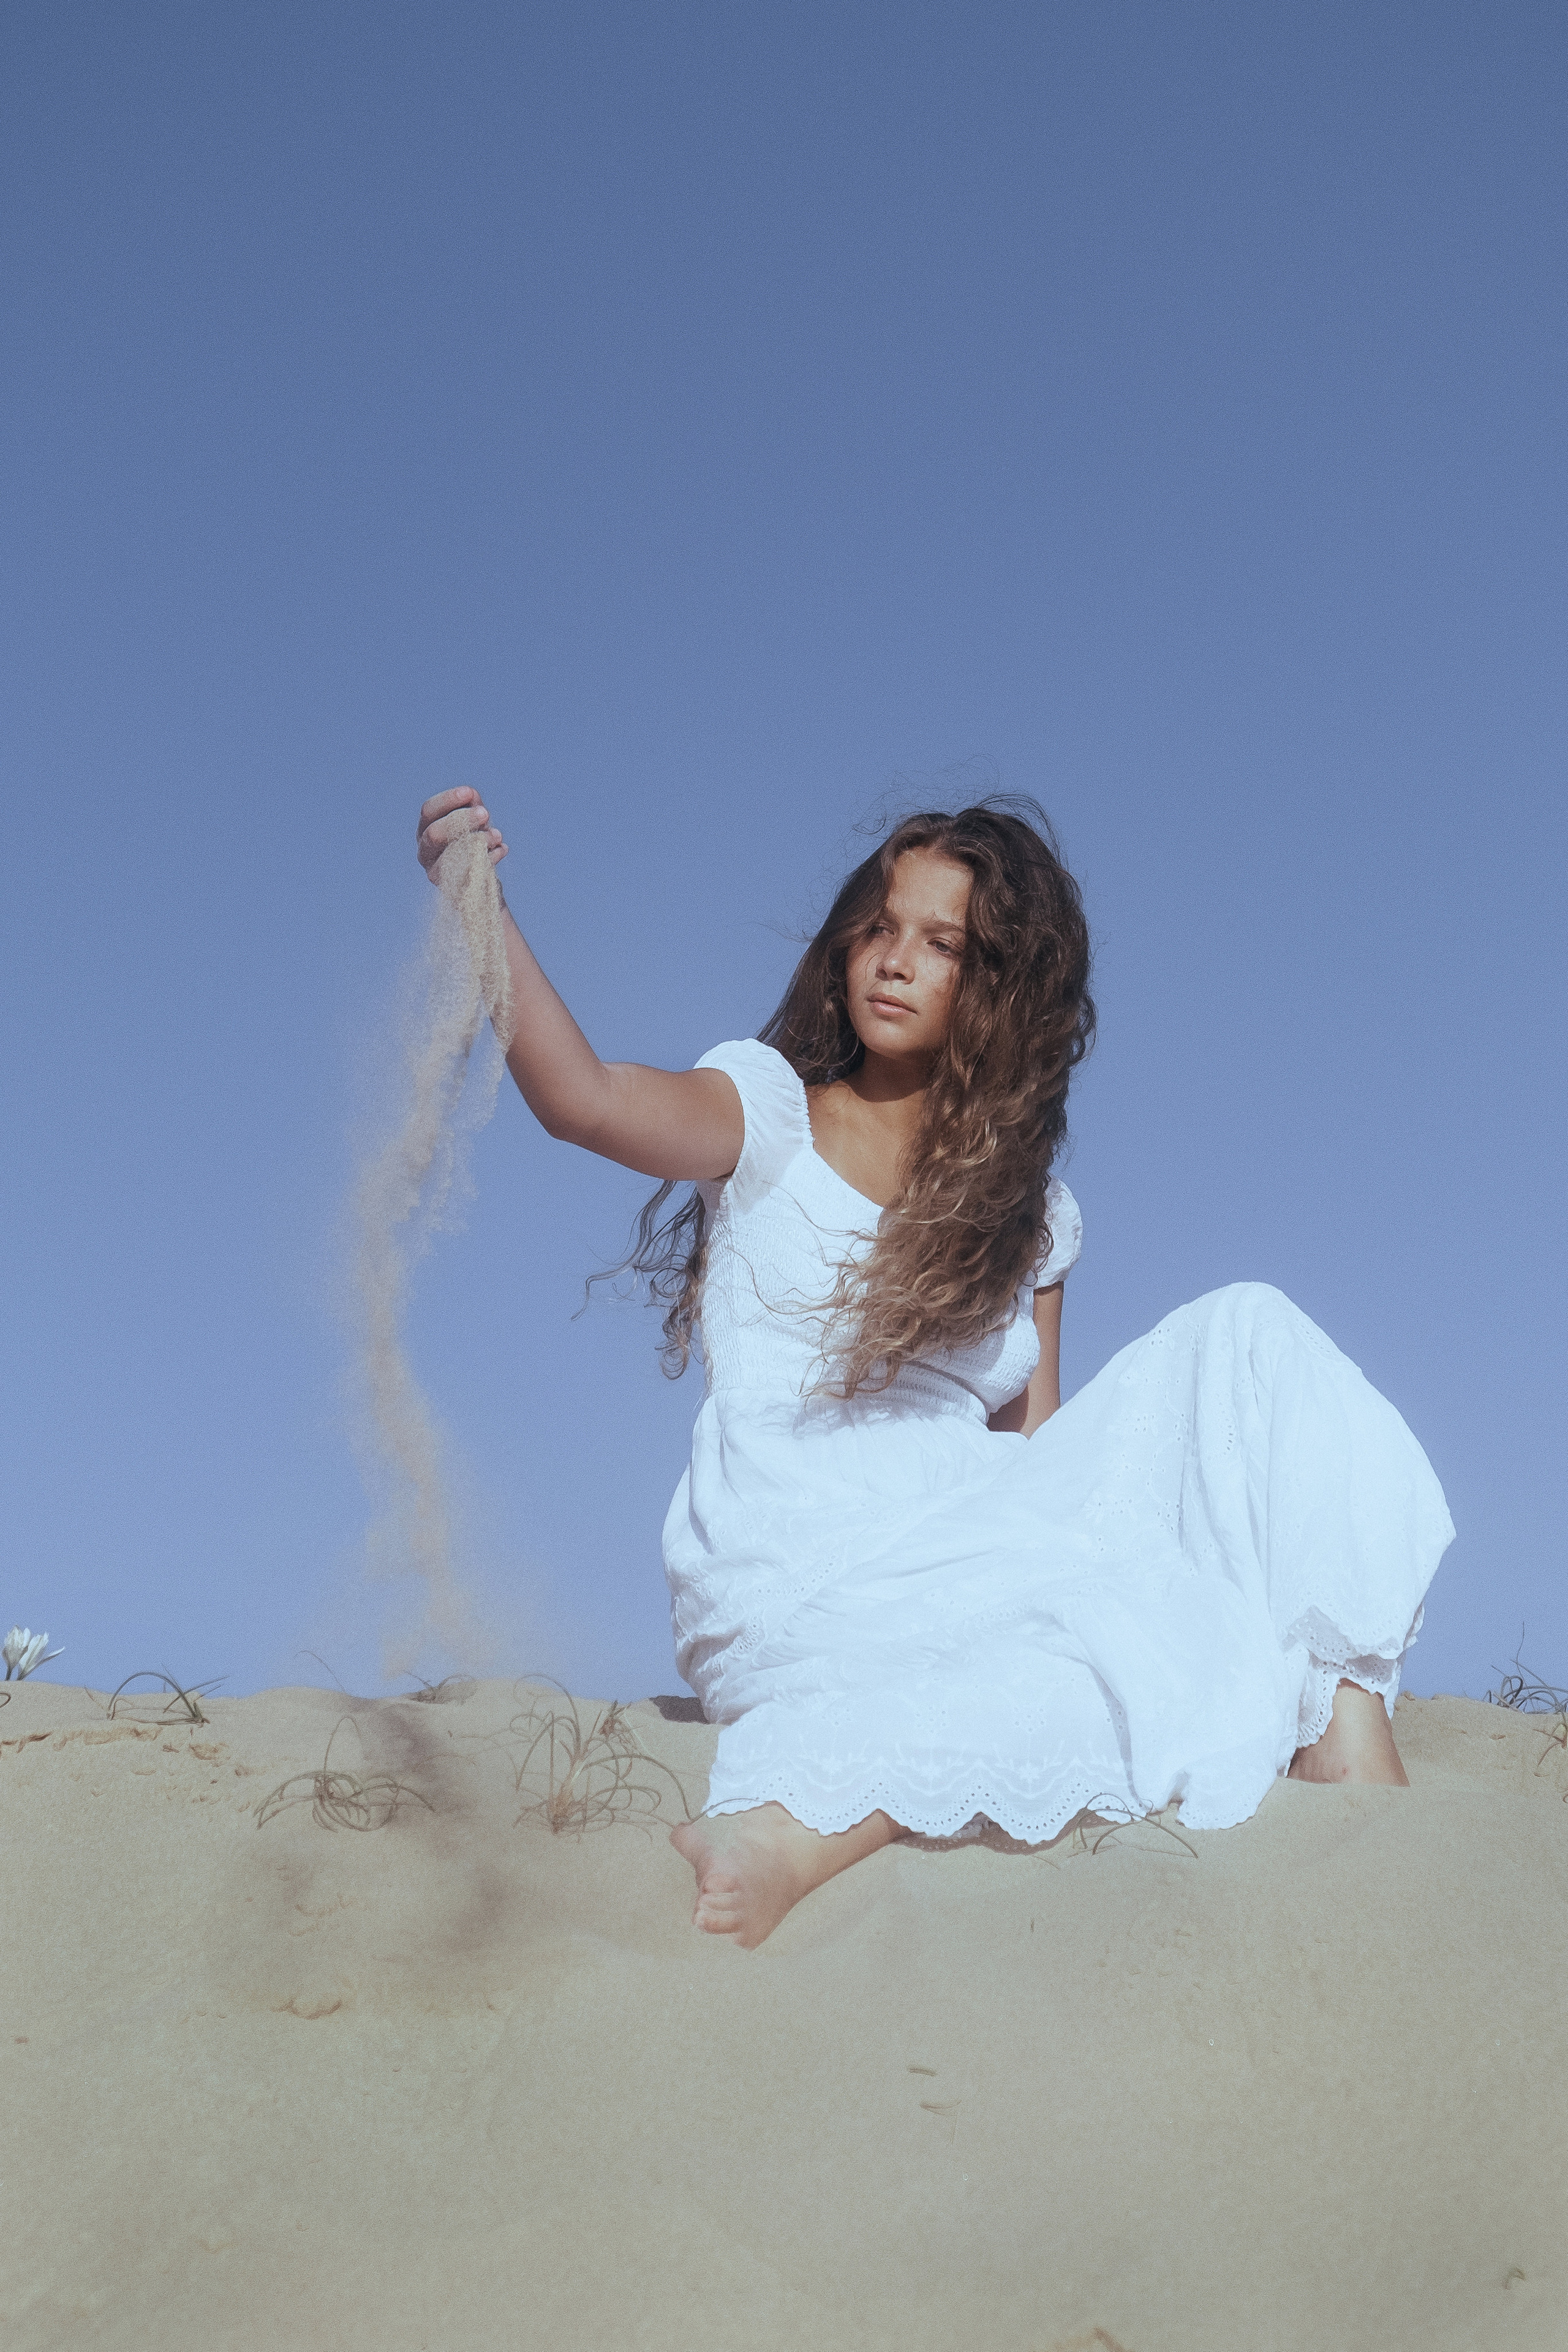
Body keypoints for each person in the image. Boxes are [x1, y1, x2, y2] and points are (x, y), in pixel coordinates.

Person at [417, 786, 1454, 1950]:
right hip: (797, 1550)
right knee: (1119, 1665)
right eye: (879, 927)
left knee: (1247, 1349)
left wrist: (1117, 1590)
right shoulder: (768, 1114)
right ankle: (790, 1835)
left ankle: (1348, 1744)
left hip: (975, 1540)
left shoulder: (1033, 1218)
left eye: (941, 944)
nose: (895, 961)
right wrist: (477, 904)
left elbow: (1040, 1458)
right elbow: (584, 1100)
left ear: (1000, 989)